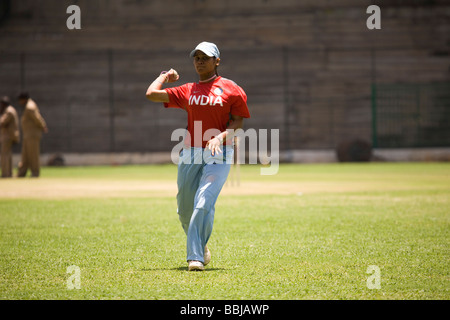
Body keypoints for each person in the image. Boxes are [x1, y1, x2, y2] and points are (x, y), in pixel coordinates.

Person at [146, 42, 250, 271]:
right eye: (197, 57)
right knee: (184, 208)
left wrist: (219, 138)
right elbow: (151, 94)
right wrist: (164, 75)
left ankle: (195, 257)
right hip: (190, 152)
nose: (200, 61)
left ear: (217, 61)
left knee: (203, 202)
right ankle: (201, 245)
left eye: (206, 57)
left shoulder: (232, 89)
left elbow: (238, 124)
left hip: (220, 153)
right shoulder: (188, 90)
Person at [17, 92, 48, 178]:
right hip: (28, 135)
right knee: (25, 155)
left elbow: (37, 118)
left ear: (24, 99)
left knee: (33, 155)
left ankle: (35, 173)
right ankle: (21, 173)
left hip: (32, 135)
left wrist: (43, 126)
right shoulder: (28, 106)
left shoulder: (30, 107)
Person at [0, 96, 20, 178]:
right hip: (9, 135)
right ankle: (9, 173)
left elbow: (2, 122)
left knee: (5, 155)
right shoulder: (10, 110)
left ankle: (6, 173)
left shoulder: (9, 111)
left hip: (7, 136)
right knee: (8, 154)